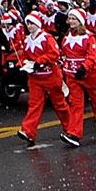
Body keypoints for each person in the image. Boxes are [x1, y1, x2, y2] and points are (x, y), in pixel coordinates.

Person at [57, 9, 96, 144]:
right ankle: (74, 134)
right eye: (69, 18)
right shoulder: (66, 37)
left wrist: (84, 67)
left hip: (90, 75)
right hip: (72, 75)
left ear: (80, 21)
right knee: (76, 104)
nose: (71, 21)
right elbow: (64, 54)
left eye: (74, 19)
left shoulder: (89, 37)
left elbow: (92, 55)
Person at [16, 11, 72, 147]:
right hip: (35, 78)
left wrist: (38, 62)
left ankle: (71, 129)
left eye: (31, 23)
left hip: (51, 77)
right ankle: (28, 131)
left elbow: (54, 53)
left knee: (60, 104)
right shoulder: (27, 40)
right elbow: (25, 55)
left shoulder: (47, 38)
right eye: (27, 23)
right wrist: (22, 63)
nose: (29, 26)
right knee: (34, 104)